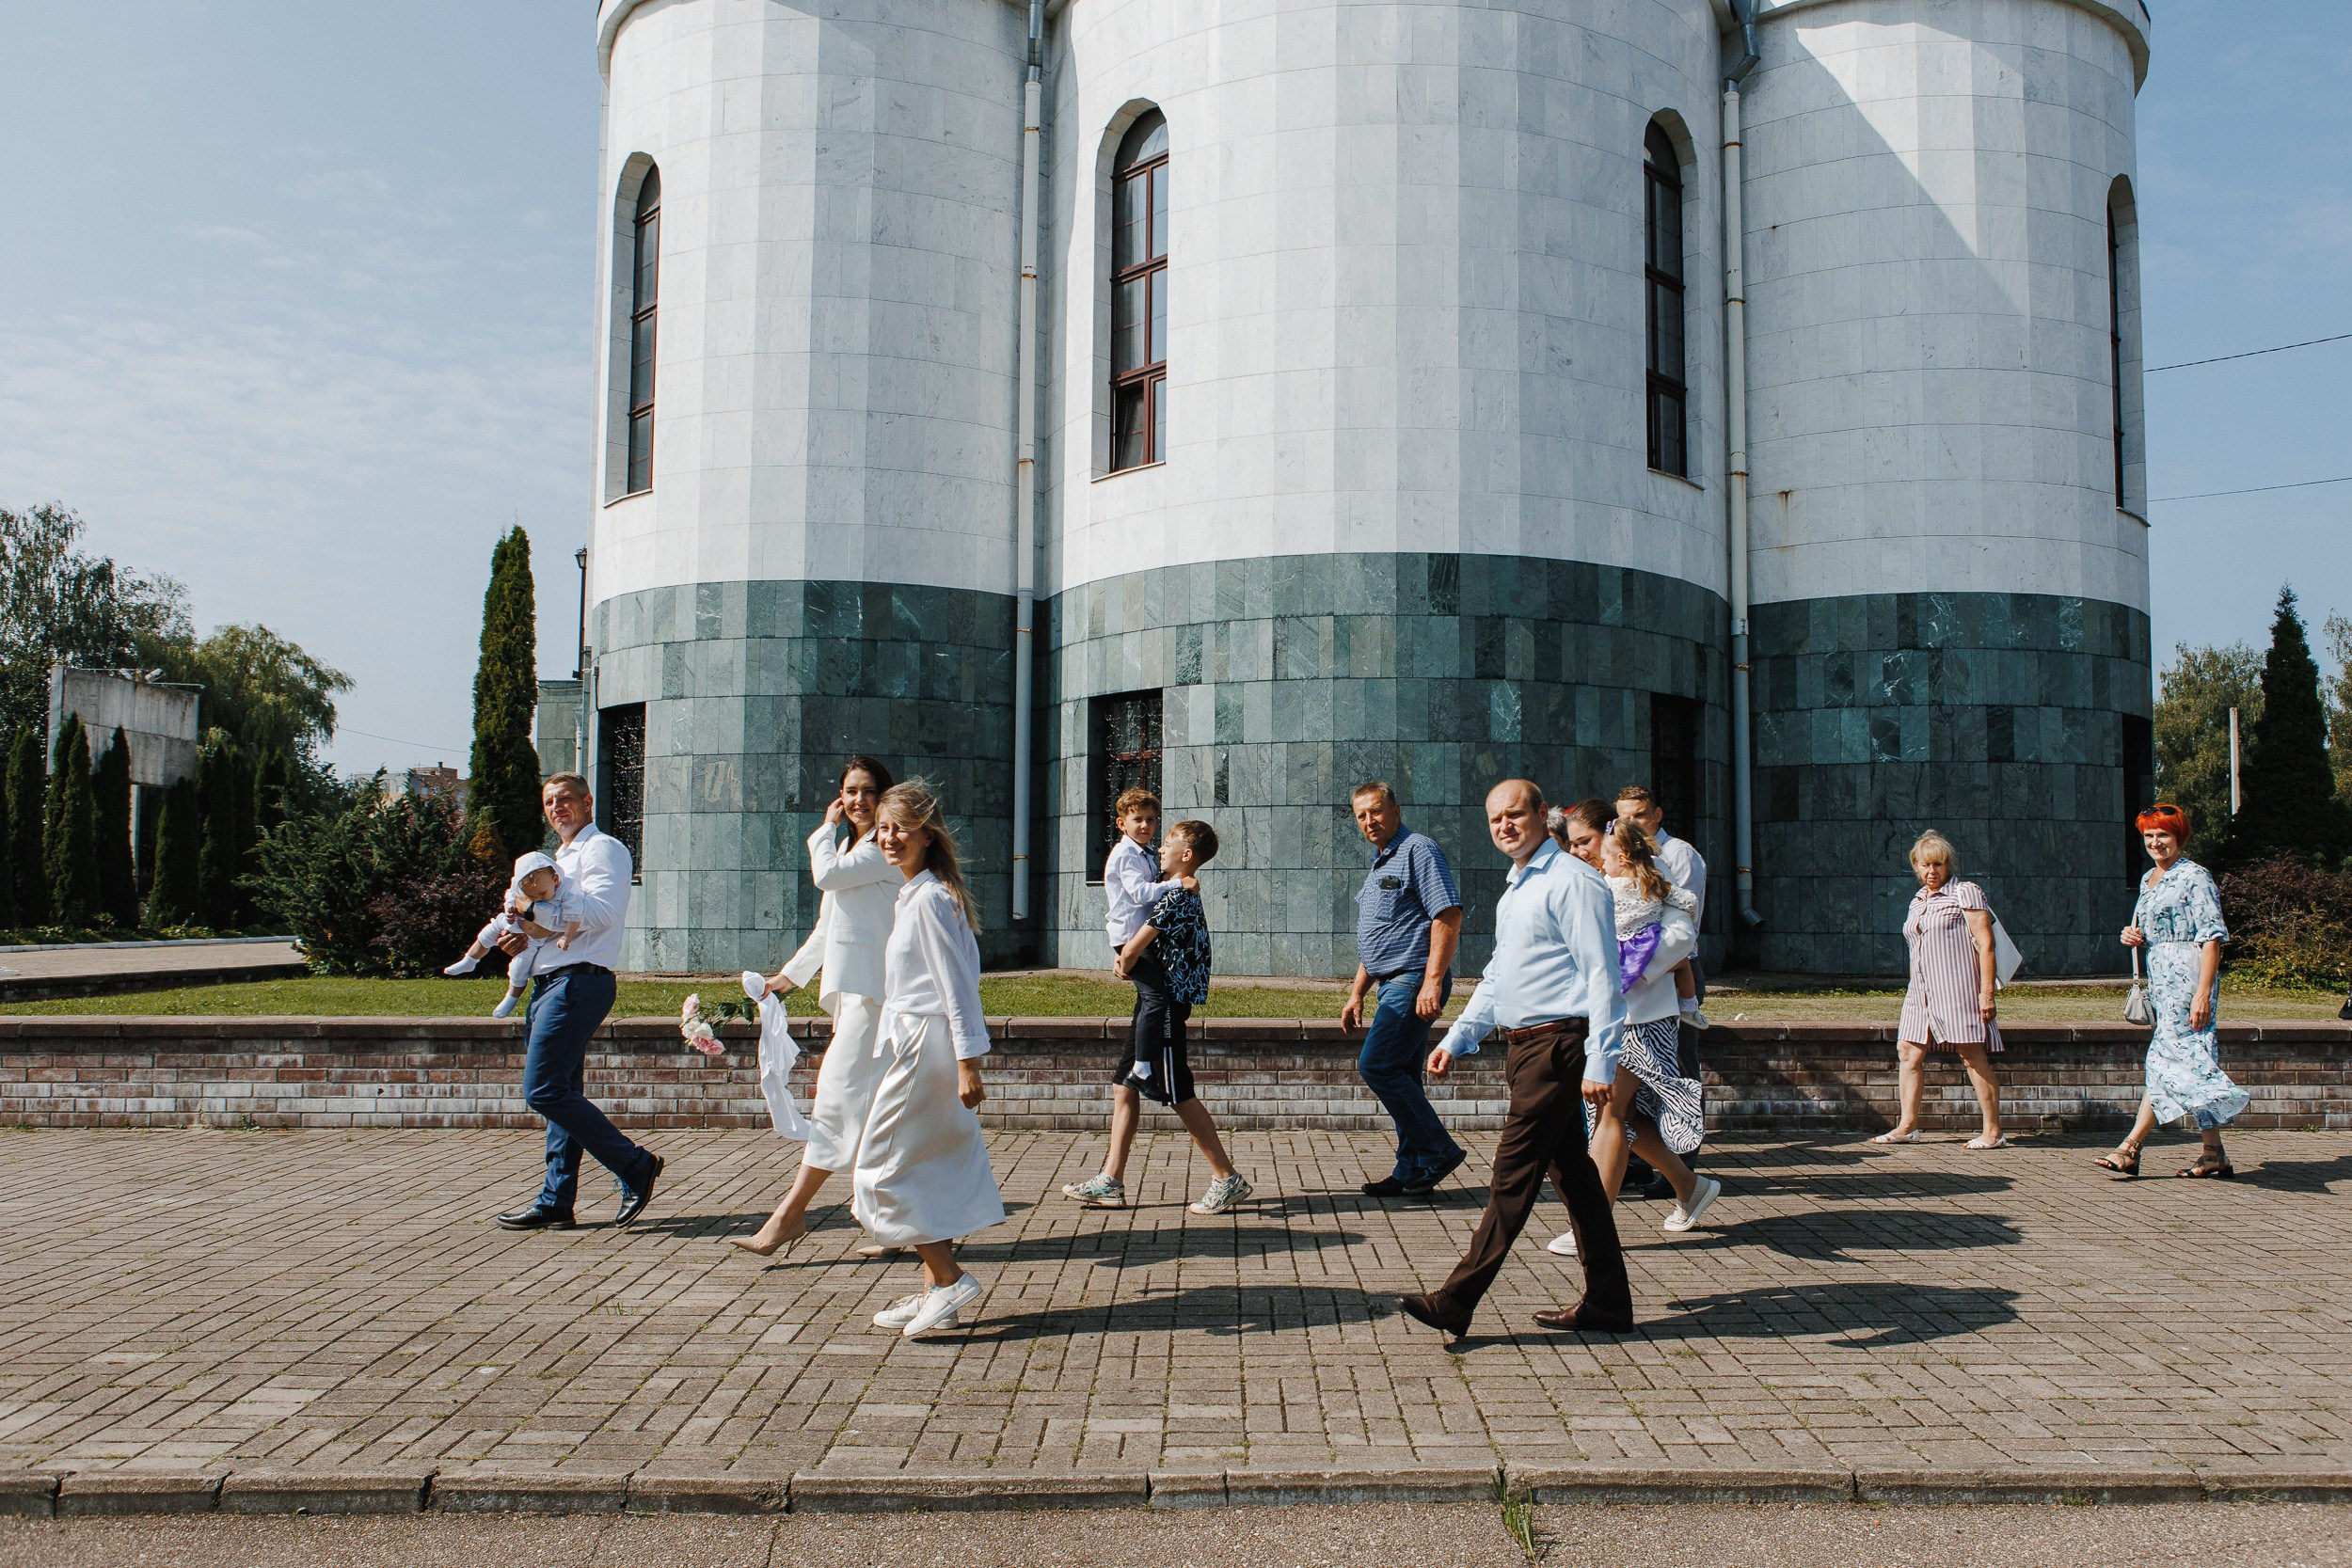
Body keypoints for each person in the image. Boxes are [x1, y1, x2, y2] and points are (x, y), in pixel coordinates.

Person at [1397, 780, 1633, 1339]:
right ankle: (1608, 1300)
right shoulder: (1516, 890)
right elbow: (1501, 976)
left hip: (1559, 1047)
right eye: (1495, 819)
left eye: (1515, 815)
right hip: (1525, 1046)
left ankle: (1458, 1299)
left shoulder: (1574, 883)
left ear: (1541, 816)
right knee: (1574, 1176)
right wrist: (1457, 1038)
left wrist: (1602, 1060)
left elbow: (1604, 975)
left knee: (1512, 1174)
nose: (1505, 826)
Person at [856, 782, 1008, 1337]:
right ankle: (931, 1287)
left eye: (901, 828)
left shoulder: (930, 900)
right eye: (883, 829)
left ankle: (948, 1279)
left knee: (878, 1170)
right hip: (914, 1041)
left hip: (926, 1044)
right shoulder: (918, 893)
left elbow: (959, 985)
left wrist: (970, 1061)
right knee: (923, 1164)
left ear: (927, 832)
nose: (891, 838)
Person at [732, 756, 899, 1259]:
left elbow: (825, 877)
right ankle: (890, 1222)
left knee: (836, 1099)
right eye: (849, 792)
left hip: (878, 995)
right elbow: (829, 928)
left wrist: (823, 829)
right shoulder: (856, 847)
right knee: (875, 1110)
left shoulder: (880, 850)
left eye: (867, 791)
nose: (857, 801)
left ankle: (790, 1214)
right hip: (856, 995)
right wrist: (788, 978)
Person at [1539, 803, 1719, 1259]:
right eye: (1573, 843)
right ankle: (1691, 1187)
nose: (1578, 850)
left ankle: (1591, 1223)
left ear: (1609, 836)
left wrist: (1634, 968)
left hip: (1638, 1018)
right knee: (1626, 1117)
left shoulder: (1645, 873)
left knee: (1610, 1112)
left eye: (1585, 841)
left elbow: (1681, 933)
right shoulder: (1582, 878)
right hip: (1601, 1018)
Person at [494, 774, 664, 1232]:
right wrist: (521, 937)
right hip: (549, 981)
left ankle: (634, 1164)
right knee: (561, 1093)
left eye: (566, 799)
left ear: (588, 802)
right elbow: (551, 926)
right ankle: (556, 1200)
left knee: (543, 1089)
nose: (557, 808)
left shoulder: (602, 848)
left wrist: (532, 911)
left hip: (579, 982)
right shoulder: (555, 861)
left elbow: (605, 912)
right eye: (549, 801)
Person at [1063, 819, 1254, 1214]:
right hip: (1153, 1004)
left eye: (1168, 843)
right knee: (1124, 1085)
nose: (1160, 849)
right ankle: (1110, 1181)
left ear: (1186, 855)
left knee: (1178, 1091)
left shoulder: (1178, 896)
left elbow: (1140, 942)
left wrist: (1126, 957)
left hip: (1164, 1007)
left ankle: (1227, 1178)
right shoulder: (1174, 891)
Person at [1062, 788, 1196, 1209]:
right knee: (1153, 1006)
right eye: (1138, 820)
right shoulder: (1125, 856)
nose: (1146, 826)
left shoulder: (1145, 856)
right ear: (1121, 824)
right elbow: (1140, 896)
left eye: (1152, 820)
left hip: (1138, 946)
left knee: (1139, 1075)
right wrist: (1177, 882)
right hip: (1129, 941)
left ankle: (1112, 1180)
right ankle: (1141, 1067)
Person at [2099, 803, 2246, 1180]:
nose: (2155, 842)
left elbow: (2212, 937)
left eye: (2162, 835)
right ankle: (2214, 1152)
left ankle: (2130, 1147)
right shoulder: (2150, 880)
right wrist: (2132, 936)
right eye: (2149, 836)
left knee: (2165, 1059)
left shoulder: (2195, 876)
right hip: (2161, 978)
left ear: (2178, 836)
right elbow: (2151, 930)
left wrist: (2203, 992)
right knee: (2190, 1062)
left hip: (2188, 976)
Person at [1339, 781, 1467, 1196]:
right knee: (1404, 1075)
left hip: (1413, 979)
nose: (1369, 821)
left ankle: (1438, 1149)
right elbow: (1381, 935)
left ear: (1396, 810)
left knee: (1377, 1066)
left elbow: (1447, 914)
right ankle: (1412, 1170)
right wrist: (1357, 991)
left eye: (1376, 811)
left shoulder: (1418, 850)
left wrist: (1432, 980)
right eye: (1361, 815)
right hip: (1390, 981)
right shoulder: (1381, 863)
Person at [1874, 830, 2005, 1148]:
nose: (1931, 871)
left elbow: (1986, 944)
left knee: (1972, 1055)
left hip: (1958, 988)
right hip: (1920, 991)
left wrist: (1986, 993)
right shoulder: (1917, 900)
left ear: (1947, 865)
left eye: (1938, 864)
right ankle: (1908, 1126)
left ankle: (1993, 1131)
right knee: (1908, 1052)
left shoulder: (1965, 892)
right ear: (1915, 867)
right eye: (1924, 865)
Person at [1613, 784, 1709, 1029]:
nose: (1633, 822)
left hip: (1677, 965)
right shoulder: (1618, 855)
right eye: (1625, 818)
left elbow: (1684, 914)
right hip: (1638, 963)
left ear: (1657, 815)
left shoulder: (1678, 853)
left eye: (1640, 815)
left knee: (1679, 1057)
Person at [445, 851, 580, 1019]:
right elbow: (511, 895)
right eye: (531, 896)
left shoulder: (567, 890)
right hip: (515, 923)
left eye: (542, 894)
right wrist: (509, 908)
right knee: (488, 932)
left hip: (534, 940)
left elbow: (574, 915)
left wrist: (567, 936)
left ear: (555, 879)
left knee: (518, 968)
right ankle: (470, 960)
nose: (537, 900)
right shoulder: (523, 885)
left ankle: (512, 997)